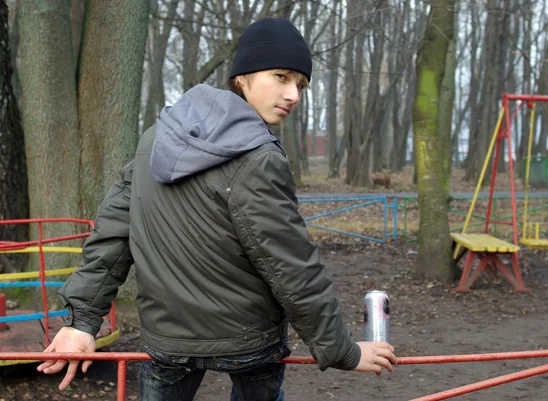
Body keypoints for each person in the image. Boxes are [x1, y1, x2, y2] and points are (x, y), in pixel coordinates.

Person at [37, 18, 397, 401]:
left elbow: (112, 234)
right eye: (281, 77)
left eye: (301, 84)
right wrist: (342, 349)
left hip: (167, 341)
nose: (293, 94)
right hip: (250, 344)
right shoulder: (258, 157)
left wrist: (82, 320)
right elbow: (291, 267)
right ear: (241, 77)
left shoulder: (156, 138)